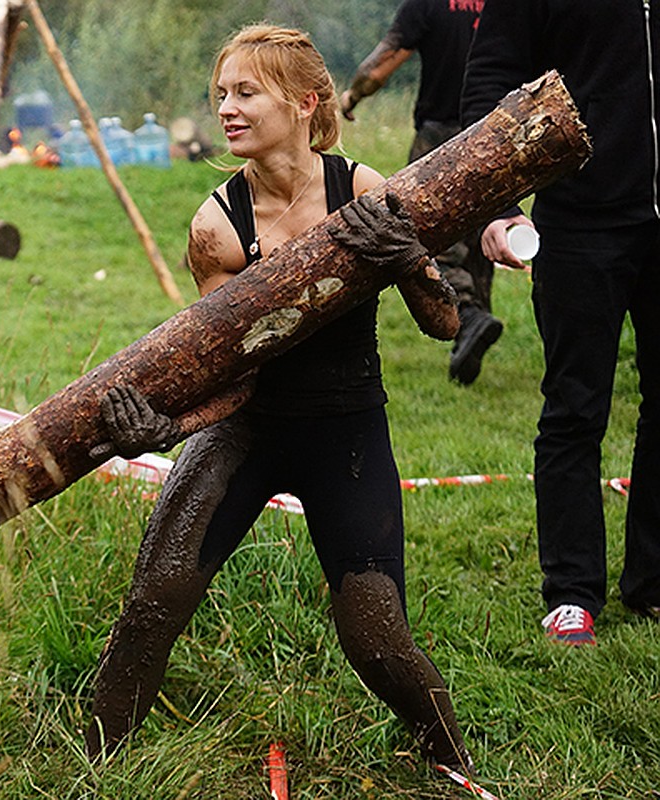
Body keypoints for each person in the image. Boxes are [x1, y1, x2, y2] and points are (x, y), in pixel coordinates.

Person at [84, 23, 476, 776]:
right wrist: (169, 426)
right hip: (246, 433)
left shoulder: (360, 188)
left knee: (376, 636)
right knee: (155, 599)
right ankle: (91, 766)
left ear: (304, 102)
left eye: (246, 93)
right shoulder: (215, 226)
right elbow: (226, 372)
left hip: (348, 435)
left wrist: (408, 259)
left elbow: (445, 321)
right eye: (221, 94)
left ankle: (451, 766)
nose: (227, 109)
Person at [461, 0, 660, 645]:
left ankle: (652, 583)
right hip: (580, 221)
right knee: (576, 408)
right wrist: (499, 205)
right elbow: (488, 85)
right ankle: (572, 593)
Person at [339, 0, 501, 385]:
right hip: (496, 130)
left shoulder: (427, 3)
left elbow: (381, 64)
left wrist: (352, 98)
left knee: (424, 233)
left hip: (439, 134)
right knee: (483, 228)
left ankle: (468, 316)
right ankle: (472, 330)